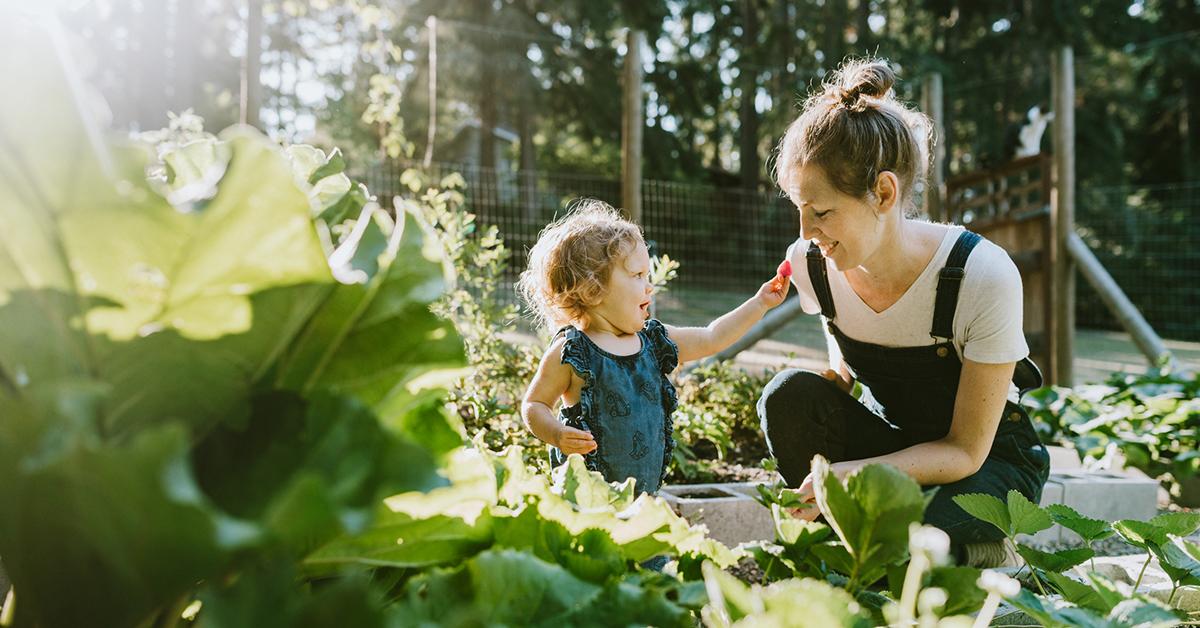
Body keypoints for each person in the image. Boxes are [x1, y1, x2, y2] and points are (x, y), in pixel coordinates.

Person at [758, 58, 1050, 567]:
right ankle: (868, 548)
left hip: (985, 467)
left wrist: (862, 475)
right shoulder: (813, 264)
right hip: (899, 445)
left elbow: (964, 451)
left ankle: (981, 549)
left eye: (822, 211)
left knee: (910, 520)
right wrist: (833, 390)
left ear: (885, 193)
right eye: (798, 208)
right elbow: (847, 356)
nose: (805, 231)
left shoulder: (981, 273)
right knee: (787, 396)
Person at [519, 200, 789, 498]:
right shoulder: (572, 352)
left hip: (643, 495)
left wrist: (761, 303)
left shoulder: (654, 341)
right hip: (585, 496)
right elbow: (534, 405)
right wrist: (556, 434)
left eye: (648, 276)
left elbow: (712, 337)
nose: (649, 287)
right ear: (592, 289)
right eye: (637, 276)